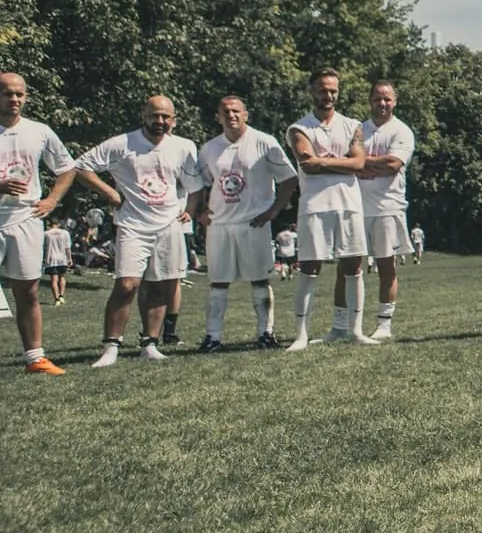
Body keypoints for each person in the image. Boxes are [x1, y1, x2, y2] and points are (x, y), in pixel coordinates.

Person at [76, 95, 204, 366]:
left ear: (174, 119)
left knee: (159, 285)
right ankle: (111, 347)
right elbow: (82, 166)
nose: (159, 122)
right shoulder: (122, 143)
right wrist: (110, 192)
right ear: (144, 115)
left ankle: (150, 343)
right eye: (154, 116)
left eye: (165, 117)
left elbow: (195, 187)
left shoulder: (184, 146)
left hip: (168, 224)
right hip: (133, 224)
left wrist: (190, 211)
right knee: (127, 284)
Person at [0, 73, 77, 374]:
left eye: (20, 94)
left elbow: (66, 168)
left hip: (27, 219)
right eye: (8, 94)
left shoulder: (39, 131)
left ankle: (35, 358)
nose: (15, 100)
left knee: (29, 290)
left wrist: (52, 200)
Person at [194, 96, 298, 351]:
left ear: (246, 114)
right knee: (218, 282)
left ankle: (266, 333)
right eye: (225, 112)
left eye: (236, 111)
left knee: (260, 280)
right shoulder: (209, 149)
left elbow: (290, 179)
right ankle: (213, 337)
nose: (231, 115)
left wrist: (273, 211)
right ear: (218, 117)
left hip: (254, 224)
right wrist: (201, 211)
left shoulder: (264, 142)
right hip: (220, 225)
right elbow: (202, 184)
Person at [287, 68, 371, 349]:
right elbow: (307, 165)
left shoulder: (352, 125)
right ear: (312, 91)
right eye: (323, 90)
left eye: (333, 90)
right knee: (309, 269)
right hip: (314, 206)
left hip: (348, 204)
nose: (329, 95)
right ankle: (301, 334)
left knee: (353, 266)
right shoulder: (299, 128)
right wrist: (339, 161)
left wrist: (323, 161)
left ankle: (355, 330)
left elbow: (359, 164)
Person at [358, 80, 416, 340]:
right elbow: (349, 163)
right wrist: (368, 164)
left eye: (387, 99)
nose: (382, 103)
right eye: (378, 98)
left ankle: (384, 324)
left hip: (387, 207)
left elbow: (393, 164)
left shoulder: (401, 131)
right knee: (350, 267)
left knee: (386, 266)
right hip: (356, 206)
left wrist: (361, 163)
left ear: (395, 101)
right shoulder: (358, 130)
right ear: (370, 100)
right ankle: (350, 323)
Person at [44, 216, 71, 305]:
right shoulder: (65, 233)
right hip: (62, 258)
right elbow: (67, 247)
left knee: (54, 279)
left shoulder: (46, 234)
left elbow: (43, 247)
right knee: (62, 277)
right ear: (58, 224)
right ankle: (61, 296)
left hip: (51, 258)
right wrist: (69, 258)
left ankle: (56, 299)